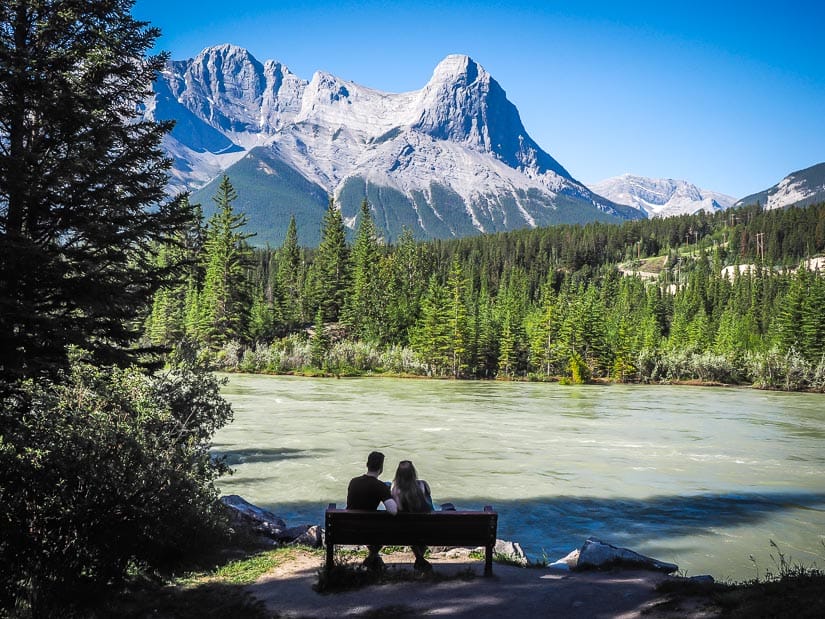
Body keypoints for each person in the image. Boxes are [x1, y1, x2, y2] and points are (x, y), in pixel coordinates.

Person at [346, 451, 397, 570]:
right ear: (381, 468)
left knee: (370, 526)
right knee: (386, 525)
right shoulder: (380, 486)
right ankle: (373, 557)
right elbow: (393, 511)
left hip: (349, 528)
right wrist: (388, 492)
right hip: (369, 530)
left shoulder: (353, 482)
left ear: (367, 464)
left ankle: (373, 557)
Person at [391, 460, 434, 572]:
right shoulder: (423, 485)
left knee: (409, 527)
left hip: (405, 532)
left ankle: (419, 558)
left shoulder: (395, 490)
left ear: (398, 474)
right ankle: (420, 558)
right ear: (413, 472)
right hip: (428, 530)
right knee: (424, 523)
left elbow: (398, 510)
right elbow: (429, 507)